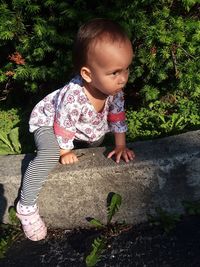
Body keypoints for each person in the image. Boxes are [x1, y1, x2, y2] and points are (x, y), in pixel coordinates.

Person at [16, 18, 135, 241]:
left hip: (75, 126)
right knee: (49, 155)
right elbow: (62, 124)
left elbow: (117, 116)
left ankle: (71, 146)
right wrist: (63, 151)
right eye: (115, 72)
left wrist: (120, 144)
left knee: (96, 138)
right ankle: (26, 205)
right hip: (49, 122)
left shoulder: (114, 91)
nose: (123, 79)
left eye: (126, 69)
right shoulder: (74, 96)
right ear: (88, 74)